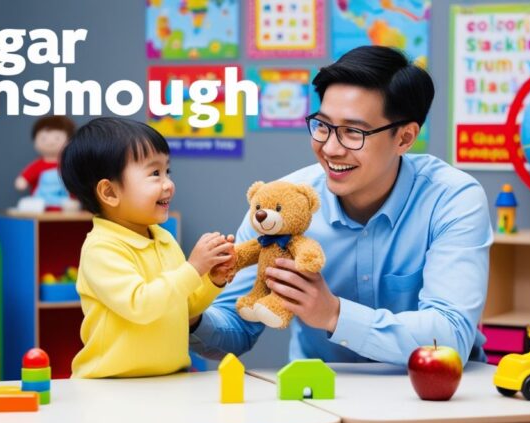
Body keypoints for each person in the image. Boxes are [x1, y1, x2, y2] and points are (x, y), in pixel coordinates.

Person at [189, 46, 493, 366]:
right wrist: (192, 317)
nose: (330, 148)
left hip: (438, 393)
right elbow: (235, 330)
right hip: (322, 395)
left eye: (353, 132)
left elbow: (451, 335)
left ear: (404, 138)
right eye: (322, 126)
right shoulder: (279, 207)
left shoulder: (452, 199)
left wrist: (334, 314)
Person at [60, 117, 235, 378]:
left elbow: (182, 306)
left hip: (168, 378)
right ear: (109, 193)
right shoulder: (101, 249)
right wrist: (193, 267)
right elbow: (141, 305)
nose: (168, 184)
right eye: (154, 174)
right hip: (110, 385)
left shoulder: (163, 239)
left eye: (167, 171)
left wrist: (212, 279)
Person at [15, 115, 76, 210]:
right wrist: (22, 181)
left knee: (72, 205)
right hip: (40, 205)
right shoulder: (38, 165)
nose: (51, 142)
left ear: (69, 140)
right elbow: (22, 182)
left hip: (64, 205)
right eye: (44, 138)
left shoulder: (68, 165)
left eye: (57, 138)